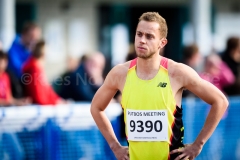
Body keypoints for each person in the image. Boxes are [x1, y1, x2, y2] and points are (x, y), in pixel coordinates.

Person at [91, 12, 228, 160]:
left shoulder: (177, 72)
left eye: (149, 36)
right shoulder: (119, 74)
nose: (142, 40)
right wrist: (115, 146)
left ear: (162, 43)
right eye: (139, 34)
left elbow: (220, 101)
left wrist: (198, 144)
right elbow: (96, 108)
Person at [22, 40, 66, 105]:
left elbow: (48, 91)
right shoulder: (34, 70)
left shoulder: (38, 69)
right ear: (43, 54)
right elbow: (39, 96)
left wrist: (58, 100)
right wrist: (54, 102)